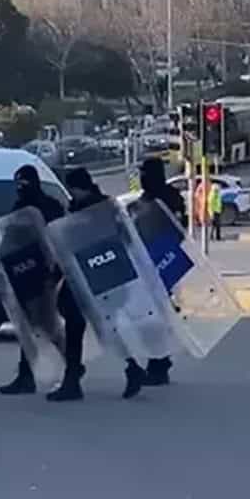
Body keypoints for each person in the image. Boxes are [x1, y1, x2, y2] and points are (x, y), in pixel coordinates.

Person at [51, 168, 145, 402]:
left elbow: (71, 243)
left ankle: (72, 381)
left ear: (77, 187)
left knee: (76, 327)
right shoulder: (108, 207)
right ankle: (131, 368)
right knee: (105, 327)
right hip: (106, 274)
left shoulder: (84, 211)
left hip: (85, 274)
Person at [0, 165, 66, 396]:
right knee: (28, 326)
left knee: (47, 324)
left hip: (44, 273)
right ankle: (26, 375)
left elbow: (58, 238)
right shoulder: (20, 208)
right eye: (18, 184)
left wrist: (56, 270)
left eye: (24, 184)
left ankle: (72, 366)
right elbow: (9, 240)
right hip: (23, 272)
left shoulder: (49, 207)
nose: (21, 189)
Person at [137, 158, 186, 386]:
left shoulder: (170, 197)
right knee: (149, 317)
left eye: (145, 172)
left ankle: (159, 364)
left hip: (163, 262)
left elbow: (178, 230)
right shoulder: (142, 200)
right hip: (144, 262)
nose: (142, 177)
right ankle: (157, 361)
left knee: (158, 317)